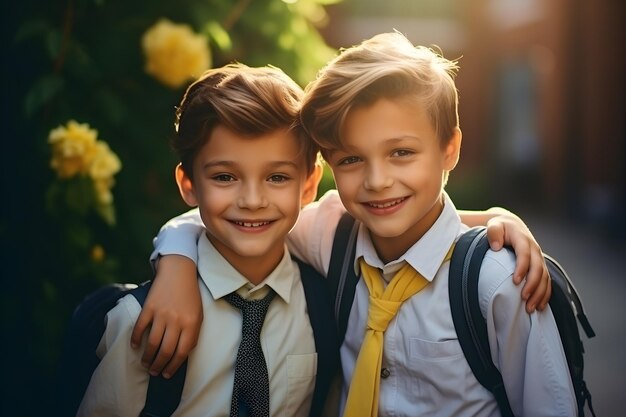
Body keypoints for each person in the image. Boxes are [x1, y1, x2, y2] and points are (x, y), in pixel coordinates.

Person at [77, 63, 341, 417]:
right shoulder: (140, 320)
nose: (252, 200)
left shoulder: (325, 306)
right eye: (225, 176)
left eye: (277, 177)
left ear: (308, 185)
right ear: (188, 184)